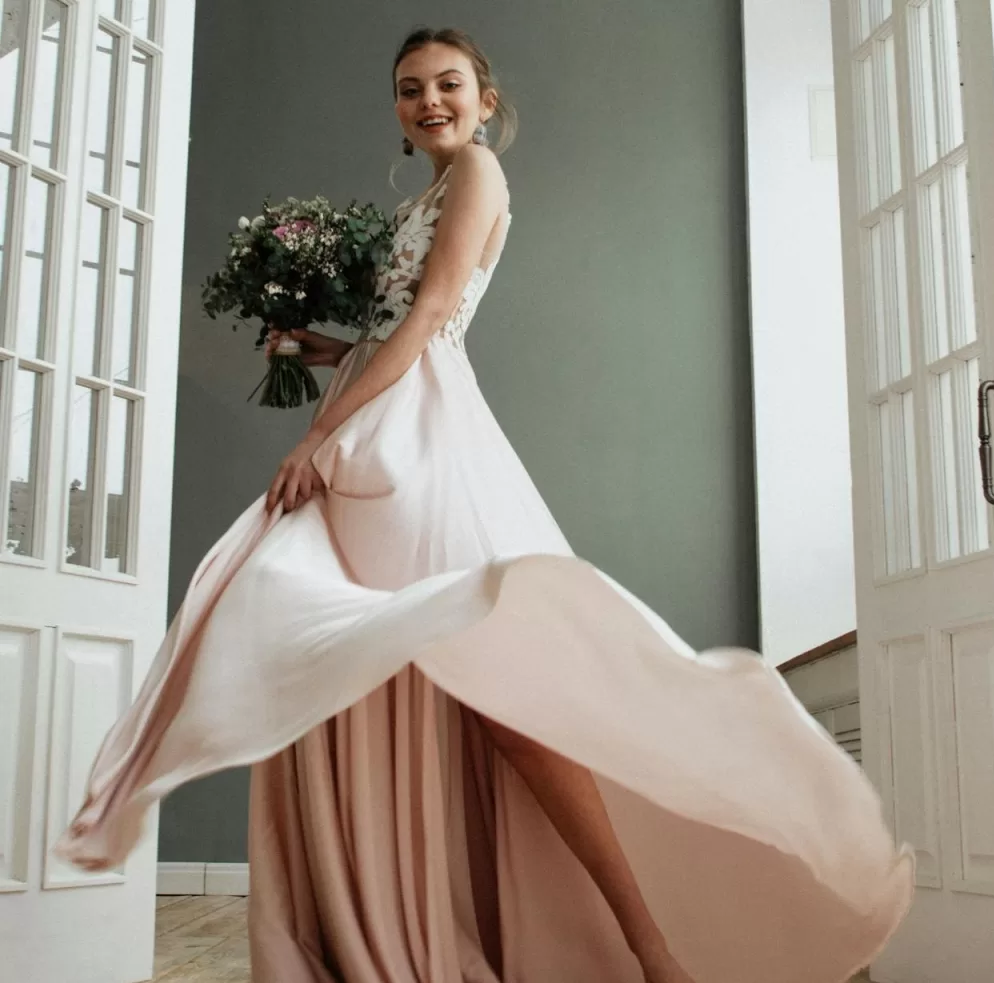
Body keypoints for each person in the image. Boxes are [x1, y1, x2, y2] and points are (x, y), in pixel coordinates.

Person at [58, 27, 912, 983]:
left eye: (448, 84)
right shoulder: (420, 199)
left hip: (422, 436)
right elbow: (399, 321)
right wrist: (318, 350)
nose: (430, 101)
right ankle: (397, 917)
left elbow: (433, 319)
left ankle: (652, 947)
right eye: (410, 88)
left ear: (485, 100)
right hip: (383, 419)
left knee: (511, 695)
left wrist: (316, 439)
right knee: (367, 652)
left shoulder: (476, 172)